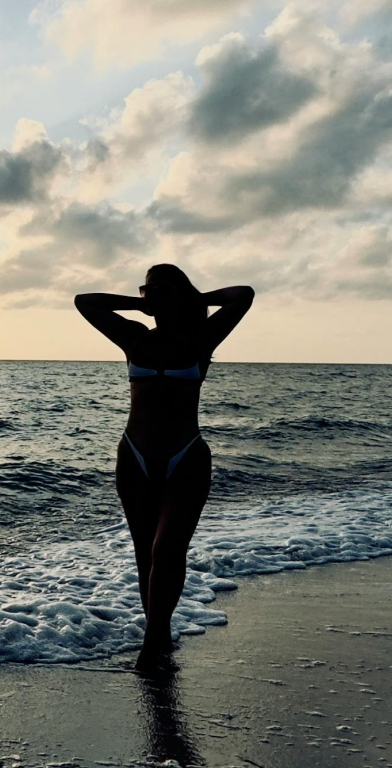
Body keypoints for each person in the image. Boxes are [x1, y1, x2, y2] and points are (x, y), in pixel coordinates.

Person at [75, 264, 253, 670]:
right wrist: (143, 304)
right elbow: (86, 302)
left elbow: (242, 294)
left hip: (186, 457)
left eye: (161, 289)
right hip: (134, 456)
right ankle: (158, 633)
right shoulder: (134, 337)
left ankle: (152, 646)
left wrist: (190, 299)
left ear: (180, 294)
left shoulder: (201, 339)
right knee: (146, 555)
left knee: (167, 549)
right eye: (146, 290)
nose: (152, 296)